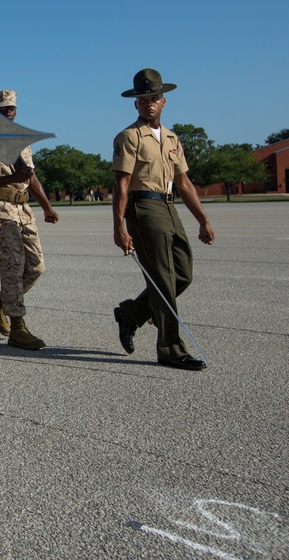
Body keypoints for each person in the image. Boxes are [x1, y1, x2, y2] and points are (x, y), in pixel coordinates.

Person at [111, 68, 215, 371]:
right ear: (135, 103)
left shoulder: (171, 138)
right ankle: (170, 348)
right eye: (143, 99)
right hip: (144, 209)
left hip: (170, 208)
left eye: (153, 98)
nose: (148, 103)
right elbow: (121, 185)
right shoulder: (129, 137)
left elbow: (184, 183)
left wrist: (203, 220)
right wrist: (119, 226)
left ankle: (132, 312)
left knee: (182, 273)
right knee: (162, 279)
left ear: (163, 101)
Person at [0, 90, 58, 350]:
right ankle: (18, 328)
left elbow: (31, 177)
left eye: (12, 108)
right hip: (0, 210)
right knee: (12, 268)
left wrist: (46, 206)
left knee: (35, 267)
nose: (9, 112)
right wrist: (14, 177)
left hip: (23, 210)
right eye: (3, 109)